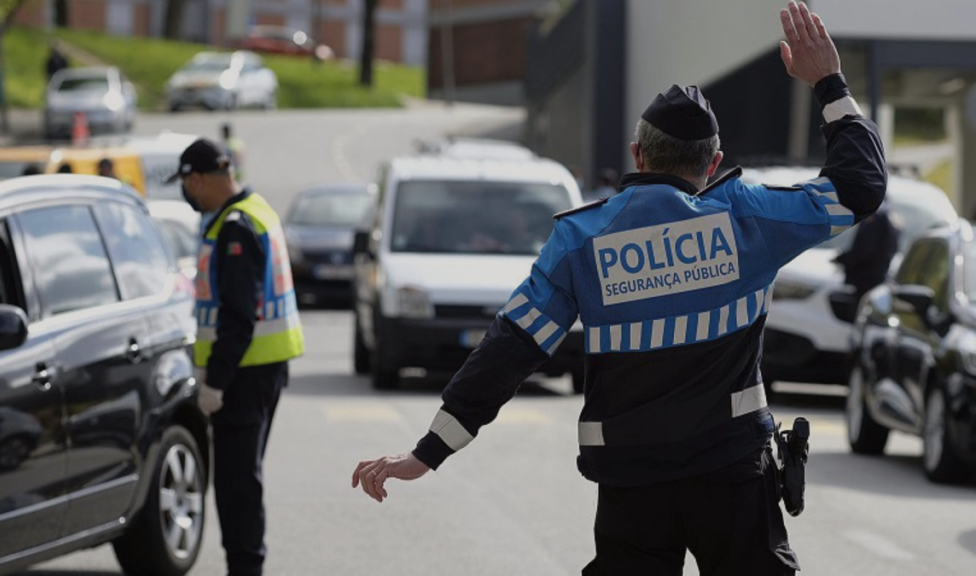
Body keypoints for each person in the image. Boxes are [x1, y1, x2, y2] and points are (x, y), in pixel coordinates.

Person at [351, 3, 887, 575]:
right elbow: (859, 186)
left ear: (637, 155)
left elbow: (509, 350)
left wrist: (427, 453)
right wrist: (829, 83)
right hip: (731, 477)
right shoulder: (747, 219)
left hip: (632, 484)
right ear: (715, 163)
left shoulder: (582, 239)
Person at [165, 138, 304, 576]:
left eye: (187, 184)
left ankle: (245, 570)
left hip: (243, 377)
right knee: (242, 479)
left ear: (199, 178)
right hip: (264, 371)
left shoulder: (234, 228)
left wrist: (215, 384)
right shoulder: (255, 210)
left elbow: (239, 317)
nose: (187, 194)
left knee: (236, 485)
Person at [833, 200, 900, 316]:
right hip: (876, 277)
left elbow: (864, 249)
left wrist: (843, 259)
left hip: (865, 278)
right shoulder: (890, 214)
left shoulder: (876, 215)